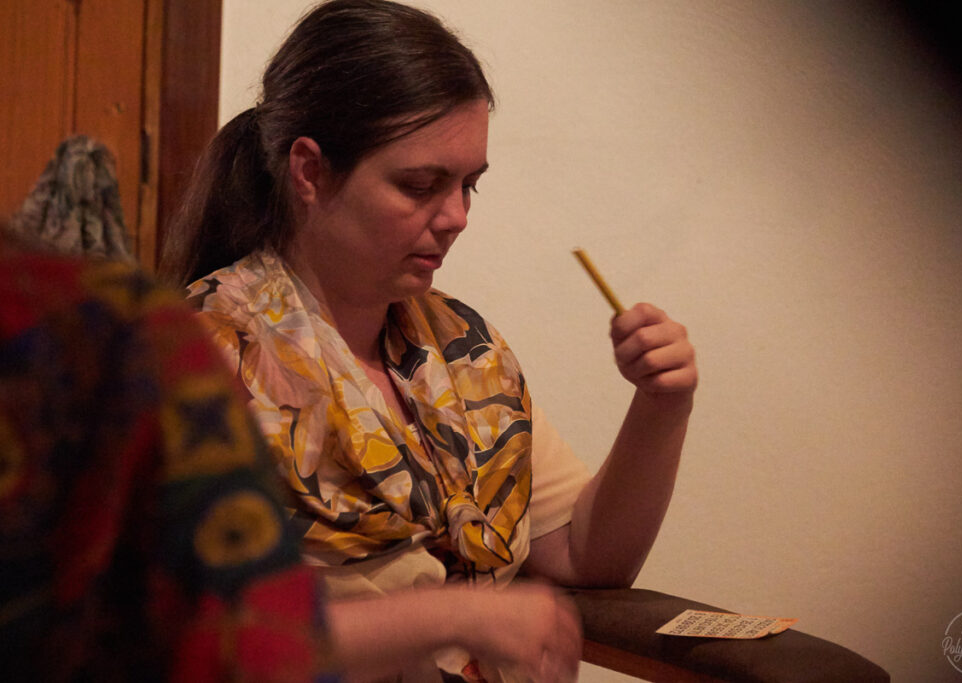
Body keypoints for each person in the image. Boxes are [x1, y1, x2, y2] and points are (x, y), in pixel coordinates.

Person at [160, 1, 697, 680]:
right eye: (420, 185)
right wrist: (450, 617)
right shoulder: (203, 357)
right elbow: (185, 634)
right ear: (310, 172)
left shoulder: (464, 354)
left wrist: (662, 405)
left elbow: (584, 555)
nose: (456, 217)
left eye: (470, 185)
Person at [0, 230, 343, 682]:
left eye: (462, 189)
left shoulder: (443, 339)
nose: (440, 220)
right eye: (415, 192)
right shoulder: (115, 335)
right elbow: (246, 637)